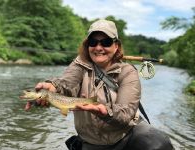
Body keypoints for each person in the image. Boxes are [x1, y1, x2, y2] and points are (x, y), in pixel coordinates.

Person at [25, 19, 174, 150]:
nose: (98, 47)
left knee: (158, 143)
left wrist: (105, 112)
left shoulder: (128, 72)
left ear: (116, 46)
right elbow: (65, 83)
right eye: (93, 42)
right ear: (87, 45)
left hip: (126, 136)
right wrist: (50, 88)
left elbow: (126, 114)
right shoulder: (79, 65)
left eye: (106, 42)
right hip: (92, 142)